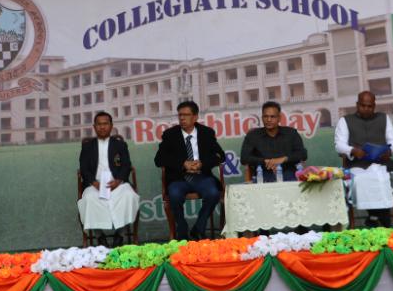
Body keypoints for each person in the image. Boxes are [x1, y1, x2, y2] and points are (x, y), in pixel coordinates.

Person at [334, 91, 393, 228]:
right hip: (357, 165)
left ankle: (375, 217)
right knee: (362, 181)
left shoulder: (383, 118)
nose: (366, 109)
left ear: (374, 106)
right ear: (357, 105)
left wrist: (389, 150)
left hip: (382, 163)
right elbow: (339, 145)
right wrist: (353, 150)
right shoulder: (345, 121)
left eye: (369, 106)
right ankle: (381, 218)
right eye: (363, 105)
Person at [154, 100, 225, 240]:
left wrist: (202, 164)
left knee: (213, 193)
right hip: (179, 178)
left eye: (186, 115)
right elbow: (159, 159)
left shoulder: (206, 133)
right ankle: (182, 228)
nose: (182, 118)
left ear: (195, 117)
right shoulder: (170, 135)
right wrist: (183, 163)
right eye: (180, 115)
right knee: (174, 195)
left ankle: (199, 227)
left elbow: (220, 156)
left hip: (202, 176)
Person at [78, 112, 139, 247]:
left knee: (129, 195)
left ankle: (120, 235)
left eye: (105, 124)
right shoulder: (88, 147)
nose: (102, 127)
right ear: (94, 127)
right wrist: (94, 183)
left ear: (111, 126)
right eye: (99, 124)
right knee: (89, 199)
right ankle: (100, 237)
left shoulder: (120, 145)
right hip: (94, 185)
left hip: (117, 183)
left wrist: (118, 181)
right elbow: (84, 168)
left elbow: (126, 165)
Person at [240, 101, 308, 182]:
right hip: (262, 175)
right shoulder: (253, 135)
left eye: (272, 117)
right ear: (262, 117)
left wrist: (283, 159)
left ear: (279, 118)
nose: (269, 120)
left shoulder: (291, 133)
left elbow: (302, 154)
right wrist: (265, 161)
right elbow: (244, 158)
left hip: (288, 174)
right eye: (265, 116)